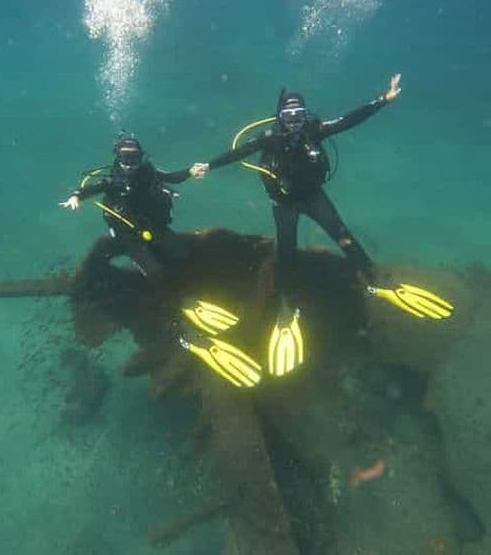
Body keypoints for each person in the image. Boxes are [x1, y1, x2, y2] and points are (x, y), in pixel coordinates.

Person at [191, 74, 453, 377]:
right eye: (289, 116)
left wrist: (383, 100)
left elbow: (350, 120)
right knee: (287, 252)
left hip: (314, 196)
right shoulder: (269, 138)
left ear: (306, 114)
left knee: (343, 236)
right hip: (285, 204)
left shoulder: (315, 130)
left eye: (299, 115)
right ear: (280, 117)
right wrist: (208, 165)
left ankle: (373, 279)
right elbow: (238, 153)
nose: (294, 122)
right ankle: (287, 303)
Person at [60, 133, 203, 280]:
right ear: (117, 157)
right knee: (155, 272)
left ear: (141, 157)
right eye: (125, 158)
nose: (129, 164)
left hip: (152, 224)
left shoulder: (148, 172)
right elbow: (92, 188)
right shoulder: (112, 180)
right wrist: (75, 196)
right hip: (127, 231)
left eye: (134, 157)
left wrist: (190, 171)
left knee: (182, 254)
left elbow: (171, 177)